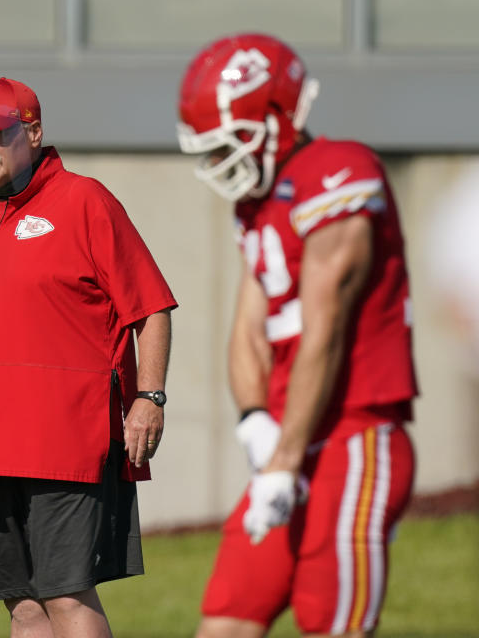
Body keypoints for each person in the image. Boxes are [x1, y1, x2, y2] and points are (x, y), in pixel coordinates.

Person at [176, 33, 418, 638]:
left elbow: (325, 331)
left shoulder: (340, 172)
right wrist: (255, 419)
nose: (221, 159)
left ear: (278, 119)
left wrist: (283, 462)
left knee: (331, 626)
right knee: (227, 615)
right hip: (289, 439)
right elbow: (248, 328)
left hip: (353, 435)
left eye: (232, 140)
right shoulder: (255, 206)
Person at [0, 77, 177, 638]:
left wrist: (150, 397)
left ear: (34, 132)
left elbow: (152, 309)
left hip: (65, 440)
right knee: (22, 605)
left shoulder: (85, 200)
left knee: (66, 595)